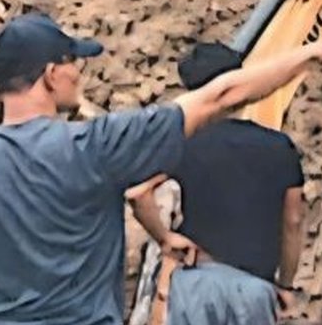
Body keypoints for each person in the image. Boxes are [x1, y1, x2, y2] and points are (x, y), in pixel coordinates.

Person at [0, 11, 322, 325]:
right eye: (74, 62)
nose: (80, 73)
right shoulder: (96, 146)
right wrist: (315, 51)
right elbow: (220, 97)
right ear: (51, 73)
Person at [127, 42, 308, 325]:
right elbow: (294, 220)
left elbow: (138, 193)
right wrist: (285, 284)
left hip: (195, 282)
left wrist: (165, 237)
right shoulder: (279, 147)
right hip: (253, 289)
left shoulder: (182, 144)